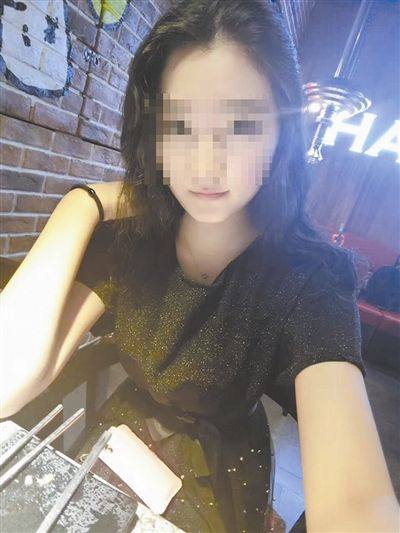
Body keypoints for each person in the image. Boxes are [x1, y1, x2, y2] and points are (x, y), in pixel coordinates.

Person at [1, 1, 399, 532]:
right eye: (180, 124)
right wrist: (81, 205)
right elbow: (8, 379)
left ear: (281, 135)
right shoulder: (134, 237)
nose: (207, 163)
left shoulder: (312, 279)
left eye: (241, 124)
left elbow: (357, 505)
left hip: (223, 471)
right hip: (120, 442)